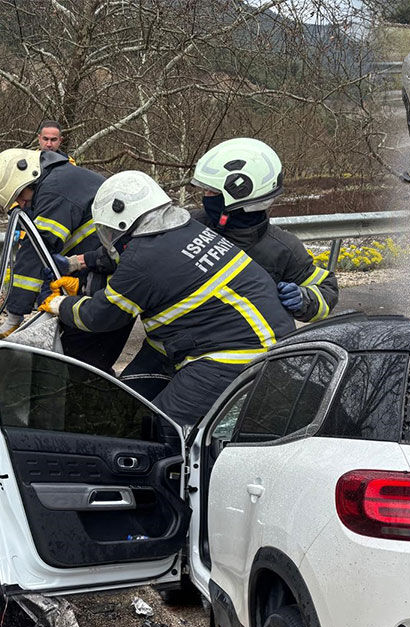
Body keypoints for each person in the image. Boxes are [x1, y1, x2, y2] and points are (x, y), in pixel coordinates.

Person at [37, 170, 295, 425]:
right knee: (129, 400)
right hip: (245, 335)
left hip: (238, 354)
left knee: (162, 427)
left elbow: (99, 316)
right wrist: (77, 264)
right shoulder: (185, 228)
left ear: (124, 223)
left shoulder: (142, 259)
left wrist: (59, 303)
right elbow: (127, 259)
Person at [0, 147, 129, 369]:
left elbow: (37, 248)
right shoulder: (62, 179)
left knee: (74, 369)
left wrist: (14, 314)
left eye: (20, 196)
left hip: (113, 287)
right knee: (86, 365)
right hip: (109, 274)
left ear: (29, 178)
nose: (21, 204)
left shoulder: (55, 191)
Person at [189, 138, 338, 323]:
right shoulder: (189, 225)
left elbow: (327, 290)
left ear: (240, 193)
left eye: (213, 192)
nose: (206, 197)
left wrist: (305, 298)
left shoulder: (283, 248)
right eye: (205, 191)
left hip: (249, 339)